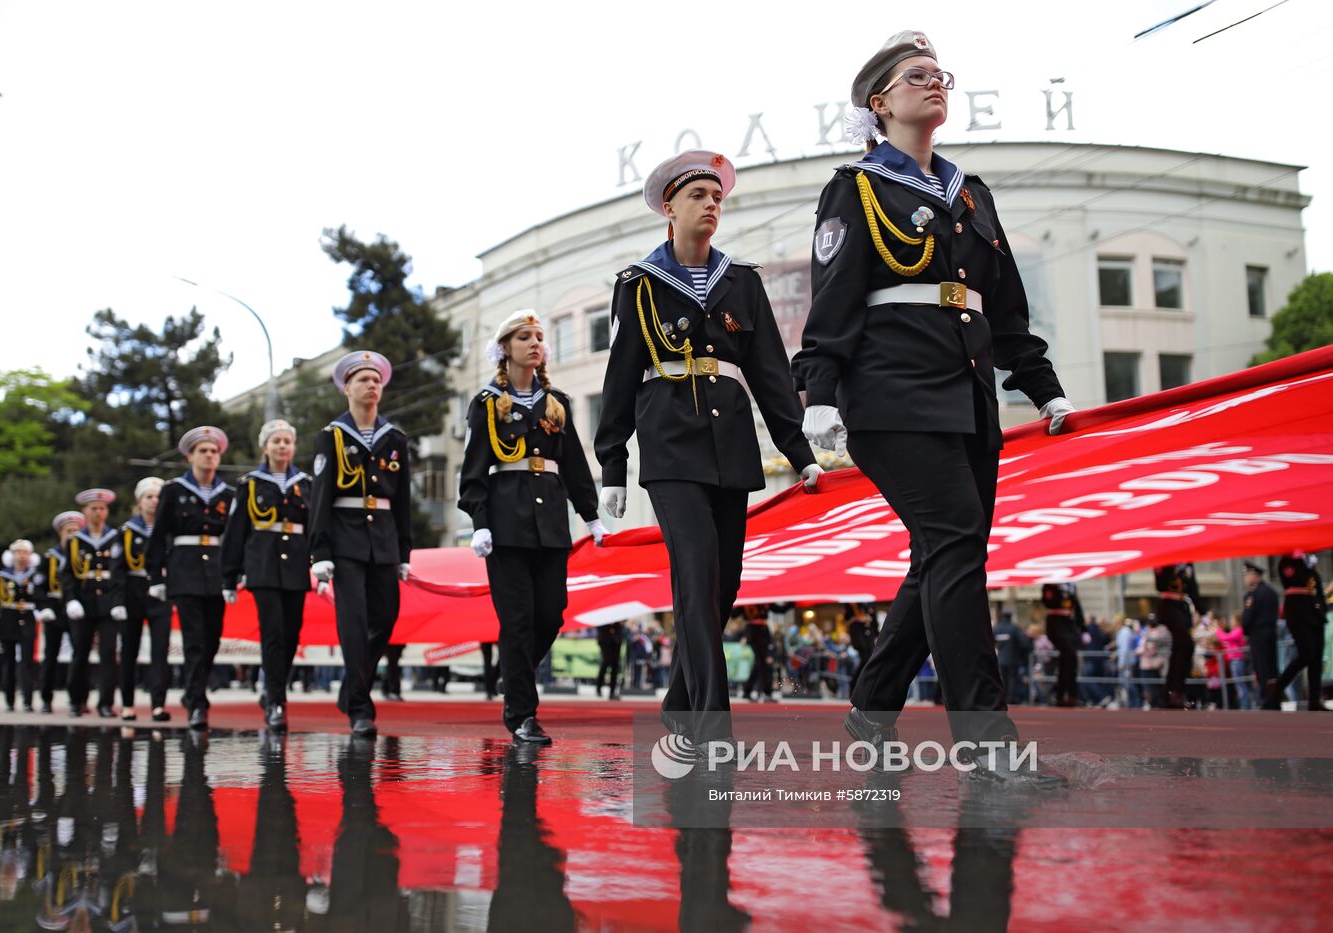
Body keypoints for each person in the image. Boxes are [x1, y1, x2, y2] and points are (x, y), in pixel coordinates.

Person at [791, 31, 1072, 784]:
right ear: (880, 103)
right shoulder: (856, 189)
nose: (934, 84)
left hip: (970, 400)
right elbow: (835, 300)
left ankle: (873, 704)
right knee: (955, 547)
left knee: (943, 554)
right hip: (890, 395)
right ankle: (987, 740)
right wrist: (819, 397)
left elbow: (1004, 310)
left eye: (939, 74)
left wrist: (1042, 386)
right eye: (917, 77)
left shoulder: (972, 193)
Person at [595, 150, 822, 749]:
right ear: (669, 207)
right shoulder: (637, 285)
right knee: (695, 574)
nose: (712, 204)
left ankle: (677, 703)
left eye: (718, 197)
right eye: (699, 195)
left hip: (730, 443)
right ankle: (710, 724)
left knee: (722, 585)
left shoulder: (741, 281)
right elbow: (619, 377)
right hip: (669, 443)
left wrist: (799, 452)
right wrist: (612, 463)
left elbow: (771, 370)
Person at [459, 310, 605, 744]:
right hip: (505, 526)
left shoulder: (555, 400)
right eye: (525, 337)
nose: (535, 343)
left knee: (552, 611)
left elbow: (575, 463)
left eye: (539, 336)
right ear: (506, 349)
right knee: (517, 621)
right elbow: (473, 471)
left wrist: (591, 514)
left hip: (550, 524)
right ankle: (522, 714)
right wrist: (479, 523)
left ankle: (513, 671)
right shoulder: (486, 403)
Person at [308, 351, 412, 737]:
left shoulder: (395, 438)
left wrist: (405, 553)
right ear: (347, 388)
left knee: (386, 618)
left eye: (376, 380)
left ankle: (351, 687)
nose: (372, 385)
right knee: (353, 624)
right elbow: (320, 497)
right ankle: (360, 709)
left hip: (383, 540)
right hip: (345, 540)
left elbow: (402, 502)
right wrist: (319, 552)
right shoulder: (331, 436)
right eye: (363, 380)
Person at [223, 419, 313, 731]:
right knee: (273, 633)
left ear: (293, 447)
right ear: (265, 447)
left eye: (287, 441)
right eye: (276, 441)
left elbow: (314, 529)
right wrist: (229, 575)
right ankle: (276, 699)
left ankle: (272, 689)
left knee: (292, 634)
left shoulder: (306, 484)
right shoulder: (249, 484)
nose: (282, 446)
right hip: (262, 566)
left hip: (296, 567)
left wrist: (321, 562)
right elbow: (236, 532)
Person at [146, 426, 234, 730]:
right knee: (194, 640)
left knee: (213, 639)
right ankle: (198, 702)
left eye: (213, 451)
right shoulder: (174, 491)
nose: (209, 456)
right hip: (184, 570)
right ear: (190, 456)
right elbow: (157, 537)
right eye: (203, 451)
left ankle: (192, 692)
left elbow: (234, 538)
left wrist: (235, 573)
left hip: (216, 572)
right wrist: (156, 576)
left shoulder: (229, 494)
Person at [63, 488, 128, 718]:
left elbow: (121, 573)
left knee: (109, 654)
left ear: (107, 511)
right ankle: (77, 700)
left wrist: (120, 601)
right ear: (85, 512)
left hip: (109, 603)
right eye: (93, 509)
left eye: (102, 508)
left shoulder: (117, 538)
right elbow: (68, 574)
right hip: (84, 601)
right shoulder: (75, 542)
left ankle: (106, 703)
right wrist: (71, 600)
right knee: (80, 653)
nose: (98, 513)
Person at [120, 477, 173, 722]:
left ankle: (158, 705)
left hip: (159, 592)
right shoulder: (127, 532)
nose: (154, 502)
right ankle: (128, 704)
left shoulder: (168, 530)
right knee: (129, 650)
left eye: (158, 498)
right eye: (149, 497)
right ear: (139, 502)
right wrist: (117, 601)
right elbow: (118, 568)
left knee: (160, 650)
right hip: (133, 592)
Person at [35, 510, 84, 712]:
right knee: (50, 655)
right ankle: (46, 698)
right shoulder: (49, 558)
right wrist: (44, 607)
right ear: (60, 533)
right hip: (54, 609)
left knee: (80, 654)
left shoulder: (83, 554)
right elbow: (39, 587)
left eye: (76, 531)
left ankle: (76, 699)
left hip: (76, 609)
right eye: (68, 531)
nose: (72, 535)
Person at [1266, 551, 1327, 710]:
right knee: (1306, 654)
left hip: (1315, 612)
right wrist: (1304, 563)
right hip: (1298, 612)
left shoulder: (1307, 562)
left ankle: (1314, 701)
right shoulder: (1287, 561)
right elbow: (1294, 580)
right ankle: (1277, 688)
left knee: (1316, 659)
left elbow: (1315, 586)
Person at [0, 539, 41, 712]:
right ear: (11, 555)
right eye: (18, 552)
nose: (21, 556)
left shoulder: (35, 575)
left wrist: (41, 609)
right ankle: (9, 700)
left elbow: (41, 596)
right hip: (7, 619)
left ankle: (27, 700)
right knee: (8, 662)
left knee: (27, 662)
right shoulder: (2, 576)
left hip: (28, 618)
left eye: (25, 552)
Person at [1152, 563, 1203, 709]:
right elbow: (1160, 585)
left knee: (1179, 650)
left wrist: (1202, 610)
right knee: (1186, 645)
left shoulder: (1187, 563)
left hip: (1181, 608)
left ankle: (1172, 692)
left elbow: (1193, 588)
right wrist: (1170, 567)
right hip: (1168, 606)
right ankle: (1175, 691)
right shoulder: (1165, 560)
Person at [1040, 583, 1083, 707]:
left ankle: (1069, 695)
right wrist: (1059, 588)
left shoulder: (1070, 586)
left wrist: (1083, 628)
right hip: (1056, 624)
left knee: (1070, 660)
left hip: (1069, 625)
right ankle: (1062, 694)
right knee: (1069, 655)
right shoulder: (1050, 586)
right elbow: (1048, 602)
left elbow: (1077, 607)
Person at [1240, 562, 1280, 697]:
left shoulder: (1253, 595)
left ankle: (1267, 697)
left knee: (1261, 667)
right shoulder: (1272, 592)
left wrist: (1245, 630)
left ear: (1254, 575)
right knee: (1272, 666)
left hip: (1258, 635)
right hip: (1271, 632)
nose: (1245, 578)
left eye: (1246, 575)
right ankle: (1275, 696)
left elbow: (1247, 618)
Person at [991, 610, 1032, 705]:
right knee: (1012, 679)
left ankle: (1003, 698)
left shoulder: (997, 628)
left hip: (1001, 659)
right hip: (1013, 659)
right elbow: (1024, 643)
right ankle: (1011, 698)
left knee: (1003, 679)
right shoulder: (1014, 628)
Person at [596, 621, 625, 700]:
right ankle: (598, 687)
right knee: (605, 663)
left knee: (615, 666)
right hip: (605, 641)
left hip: (616, 641)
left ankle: (612, 692)